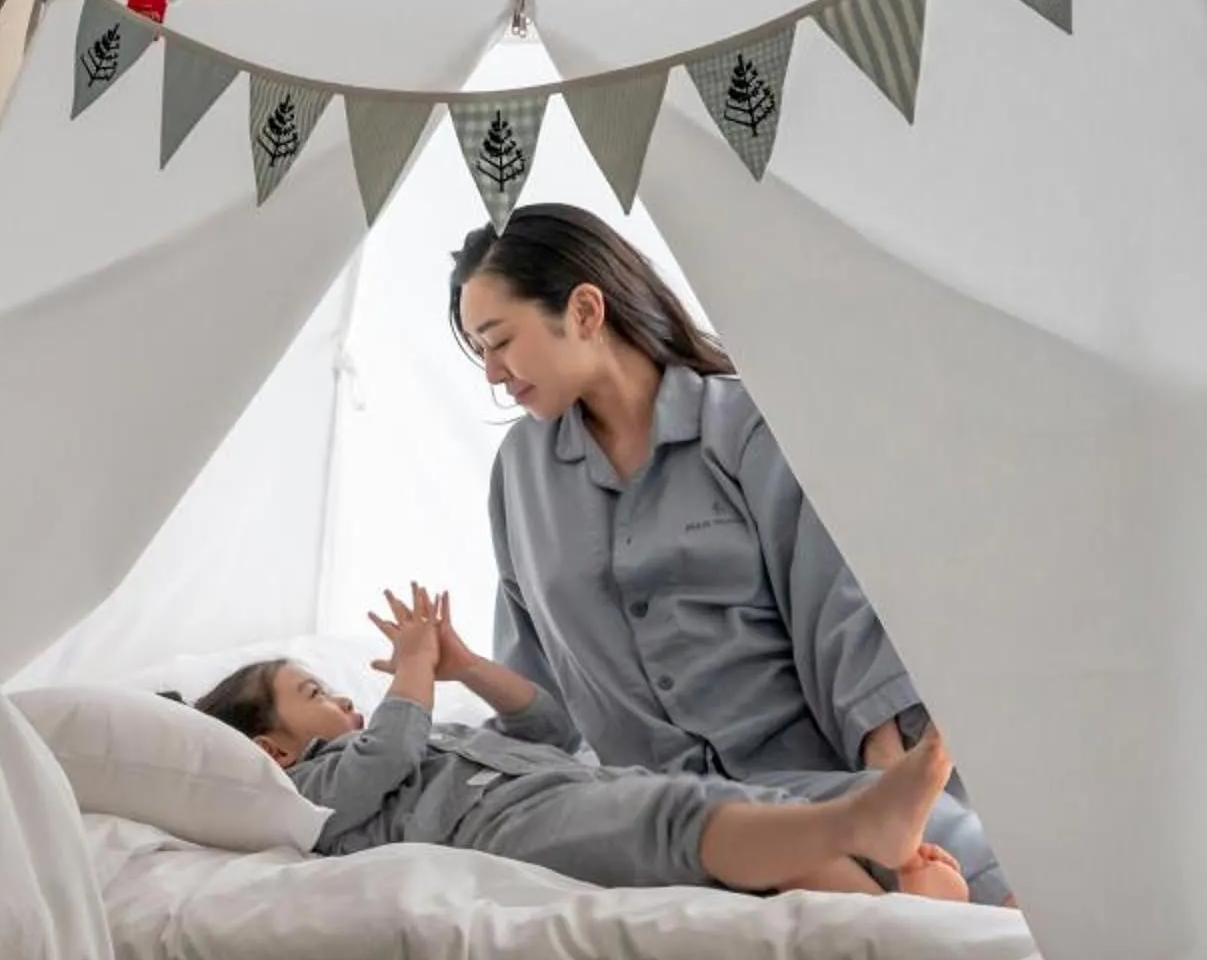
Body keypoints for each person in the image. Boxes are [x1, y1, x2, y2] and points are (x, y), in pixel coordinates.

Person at [448, 204, 1015, 905]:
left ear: (586, 311)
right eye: (479, 351)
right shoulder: (520, 474)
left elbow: (839, 608)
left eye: (499, 341)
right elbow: (531, 676)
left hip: (804, 783)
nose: (492, 374)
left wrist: (891, 773)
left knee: (976, 874)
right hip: (644, 812)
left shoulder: (746, 429)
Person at [191, 587, 973, 899]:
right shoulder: (305, 797)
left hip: (571, 786)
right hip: (503, 828)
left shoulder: (432, 732)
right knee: (671, 822)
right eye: (314, 696)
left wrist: (466, 667)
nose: (342, 699)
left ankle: (895, 892)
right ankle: (870, 846)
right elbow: (390, 753)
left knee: (736, 806)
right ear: (273, 750)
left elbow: (553, 729)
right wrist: (414, 670)